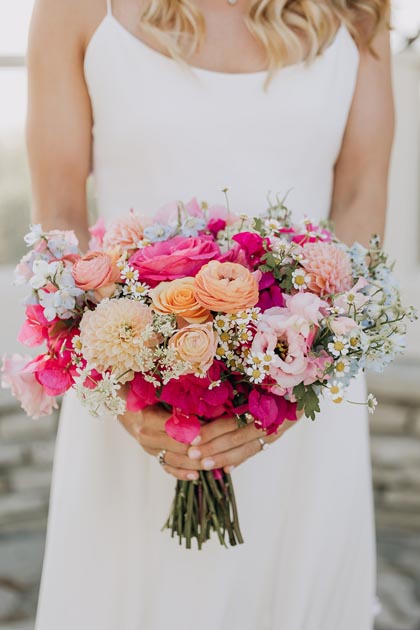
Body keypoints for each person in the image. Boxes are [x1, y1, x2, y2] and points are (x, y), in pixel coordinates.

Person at [28, 0, 394, 628]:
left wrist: (293, 379)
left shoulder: (357, 12)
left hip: (302, 403)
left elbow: (361, 199)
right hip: (133, 399)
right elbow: (59, 209)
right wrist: (121, 388)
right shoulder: (75, 10)